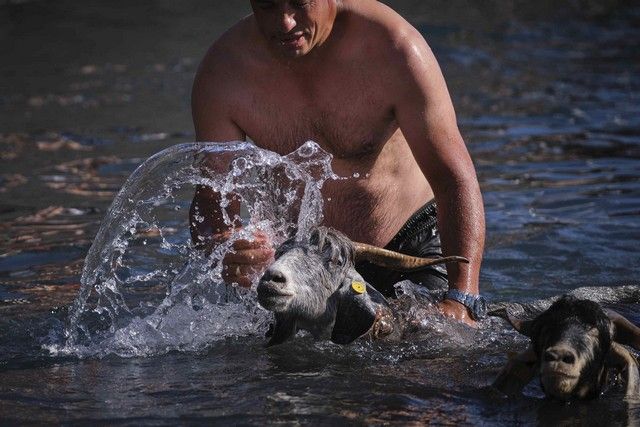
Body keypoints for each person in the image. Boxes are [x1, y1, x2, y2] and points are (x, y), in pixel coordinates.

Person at [189, 0, 485, 326]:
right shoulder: (224, 73)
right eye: (267, 6)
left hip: (410, 250)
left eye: (300, 4)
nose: (285, 23)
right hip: (302, 258)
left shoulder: (395, 48)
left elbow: (453, 178)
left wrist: (463, 297)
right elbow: (212, 197)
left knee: (435, 359)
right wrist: (225, 247)